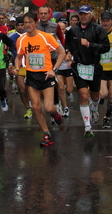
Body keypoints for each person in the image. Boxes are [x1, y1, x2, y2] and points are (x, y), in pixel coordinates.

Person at [10, 12, 65, 146]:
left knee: (48, 107)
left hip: (46, 75)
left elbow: (61, 52)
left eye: (30, 22)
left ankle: (55, 113)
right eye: (25, 23)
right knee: (36, 107)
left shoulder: (46, 37)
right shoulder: (21, 39)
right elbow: (19, 56)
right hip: (31, 76)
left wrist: (54, 69)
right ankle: (47, 134)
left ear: (36, 23)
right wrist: (17, 68)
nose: (27, 25)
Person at [65, 5, 110, 137]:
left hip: (94, 67)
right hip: (79, 67)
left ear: (90, 14)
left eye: (85, 14)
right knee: (84, 96)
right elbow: (68, 45)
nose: (83, 16)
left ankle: (95, 108)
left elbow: (105, 47)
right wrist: (68, 53)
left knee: (95, 96)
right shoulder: (73, 30)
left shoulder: (98, 29)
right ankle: (87, 126)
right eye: (81, 14)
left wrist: (90, 45)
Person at [8, 16, 33, 119]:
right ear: (15, 26)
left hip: (32, 66)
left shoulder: (31, 35)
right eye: (18, 25)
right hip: (19, 66)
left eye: (22, 25)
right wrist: (10, 65)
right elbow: (9, 52)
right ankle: (28, 108)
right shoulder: (12, 38)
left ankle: (34, 104)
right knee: (22, 90)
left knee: (31, 89)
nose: (21, 27)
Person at [56, 21, 74, 117]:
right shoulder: (54, 39)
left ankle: (64, 97)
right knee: (61, 88)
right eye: (59, 29)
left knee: (69, 90)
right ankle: (65, 107)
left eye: (63, 29)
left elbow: (74, 50)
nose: (61, 31)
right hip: (58, 67)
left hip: (67, 67)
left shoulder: (69, 39)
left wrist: (71, 60)